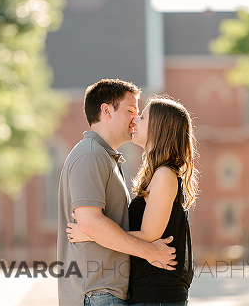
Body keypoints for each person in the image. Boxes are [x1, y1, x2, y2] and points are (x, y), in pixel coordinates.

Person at [68, 95, 199, 305]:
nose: (135, 119)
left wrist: (93, 233)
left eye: (143, 117)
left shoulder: (165, 174)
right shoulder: (157, 173)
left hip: (159, 293)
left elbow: (150, 234)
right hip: (150, 292)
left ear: (159, 128)